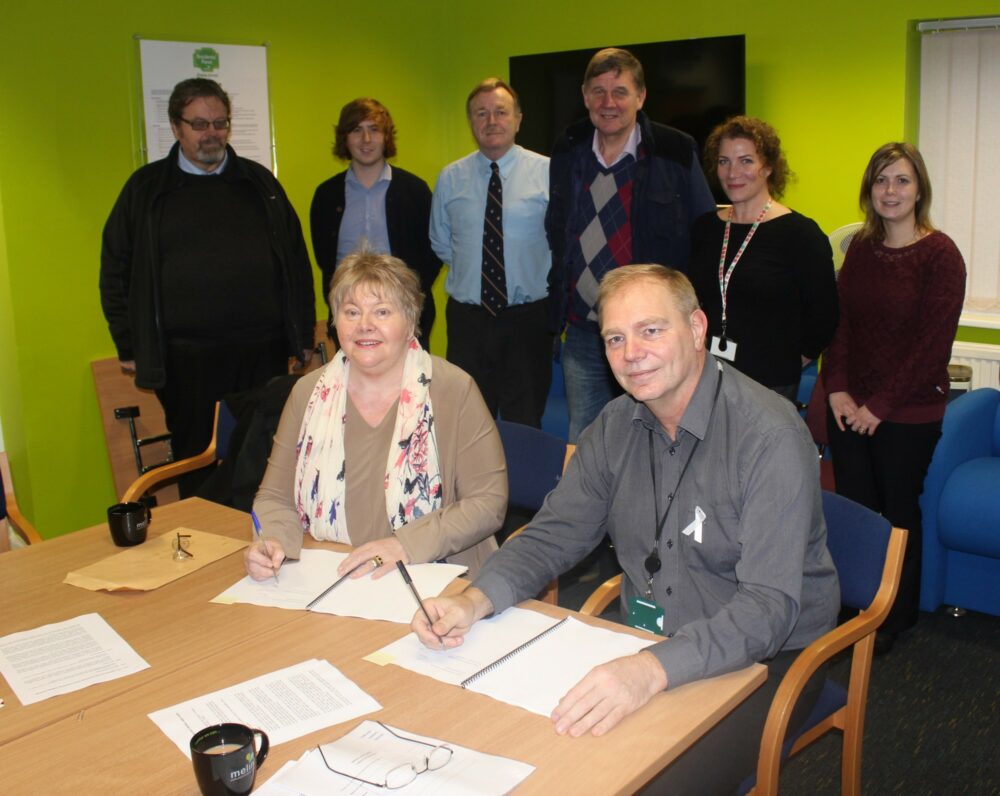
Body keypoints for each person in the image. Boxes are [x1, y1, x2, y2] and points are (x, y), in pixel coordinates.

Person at [412, 264, 839, 794]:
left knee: (637, 779)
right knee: (523, 743)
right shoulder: (615, 425)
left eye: (651, 330)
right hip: (647, 633)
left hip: (767, 658)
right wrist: (472, 601)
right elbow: (553, 534)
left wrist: (649, 670)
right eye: (616, 337)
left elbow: (768, 608)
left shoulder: (767, 436)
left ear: (698, 328)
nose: (631, 352)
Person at [100, 78, 315, 495]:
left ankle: (262, 545)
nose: (211, 134)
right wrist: (128, 343)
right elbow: (115, 270)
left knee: (261, 458)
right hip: (185, 361)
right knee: (196, 462)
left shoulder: (260, 185)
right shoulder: (146, 191)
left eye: (219, 122)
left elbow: (296, 263)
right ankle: (204, 547)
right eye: (199, 124)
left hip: (261, 351)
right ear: (176, 127)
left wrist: (302, 333)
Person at [246, 251, 506, 582]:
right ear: (335, 321)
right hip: (332, 574)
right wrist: (271, 542)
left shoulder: (454, 390)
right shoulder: (308, 393)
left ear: (411, 321)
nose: (364, 325)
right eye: (351, 312)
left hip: (439, 578)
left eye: (382, 312)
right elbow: (274, 498)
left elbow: (488, 503)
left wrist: (406, 545)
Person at [823, 142, 965, 655]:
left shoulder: (940, 254)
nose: (891, 191)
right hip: (849, 407)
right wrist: (836, 387)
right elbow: (841, 324)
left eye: (902, 180)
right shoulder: (859, 248)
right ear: (869, 189)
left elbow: (933, 345)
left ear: (919, 188)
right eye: (881, 180)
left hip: (907, 413)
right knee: (857, 510)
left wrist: (877, 407)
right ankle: (857, 604)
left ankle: (893, 618)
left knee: (897, 513)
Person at [546, 48, 716, 442]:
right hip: (586, 330)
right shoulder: (568, 149)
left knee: (655, 434)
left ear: (641, 97)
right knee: (585, 439)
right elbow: (557, 230)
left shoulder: (675, 150)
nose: (609, 103)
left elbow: (704, 233)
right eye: (599, 91)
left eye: (620, 91)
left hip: (650, 333)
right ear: (585, 96)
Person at [430, 78, 552, 428]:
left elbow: (560, 243)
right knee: (467, 419)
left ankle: (524, 484)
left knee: (526, 419)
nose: (491, 121)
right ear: (471, 121)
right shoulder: (450, 178)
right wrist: (480, 275)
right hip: (470, 321)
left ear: (518, 119)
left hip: (528, 318)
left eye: (501, 112)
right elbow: (441, 242)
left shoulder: (547, 172)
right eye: (481, 113)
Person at [689, 116, 838, 401]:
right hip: (708, 376)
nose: (733, 172)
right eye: (724, 161)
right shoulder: (705, 228)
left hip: (770, 382)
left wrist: (790, 362)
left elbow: (825, 316)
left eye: (746, 161)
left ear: (768, 167)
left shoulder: (800, 234)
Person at [311, 98, 441, 344]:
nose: (366, 139)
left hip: (406, 316)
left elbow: (432, 253)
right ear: (345, 139)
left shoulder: (415, 191)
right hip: (349, 316)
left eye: (374, 129)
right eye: (356, 130)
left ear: (386, 137)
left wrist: (410, 297)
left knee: (408, 382)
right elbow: (324, 257)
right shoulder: (326, 195)